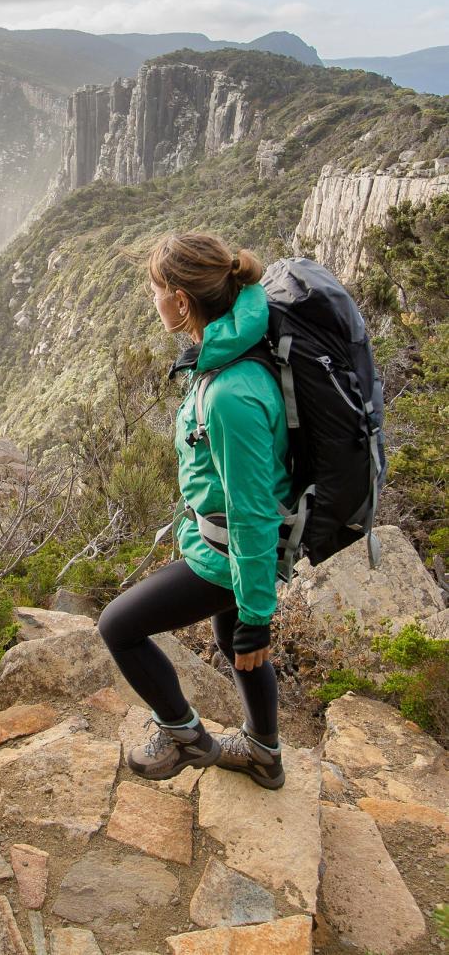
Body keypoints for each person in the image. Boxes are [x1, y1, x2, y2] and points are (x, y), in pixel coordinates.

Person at [97, 232, 292, 788]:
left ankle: (183, 736)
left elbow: (253, 512)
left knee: (119, 626)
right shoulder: (226, 349)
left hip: (232, 553)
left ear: (181, 301)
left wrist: (258, 614)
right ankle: (263, 752)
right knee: (235, 646)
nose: (151, 301)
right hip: (226, 546)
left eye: (155, 290)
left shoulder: (232, 391)